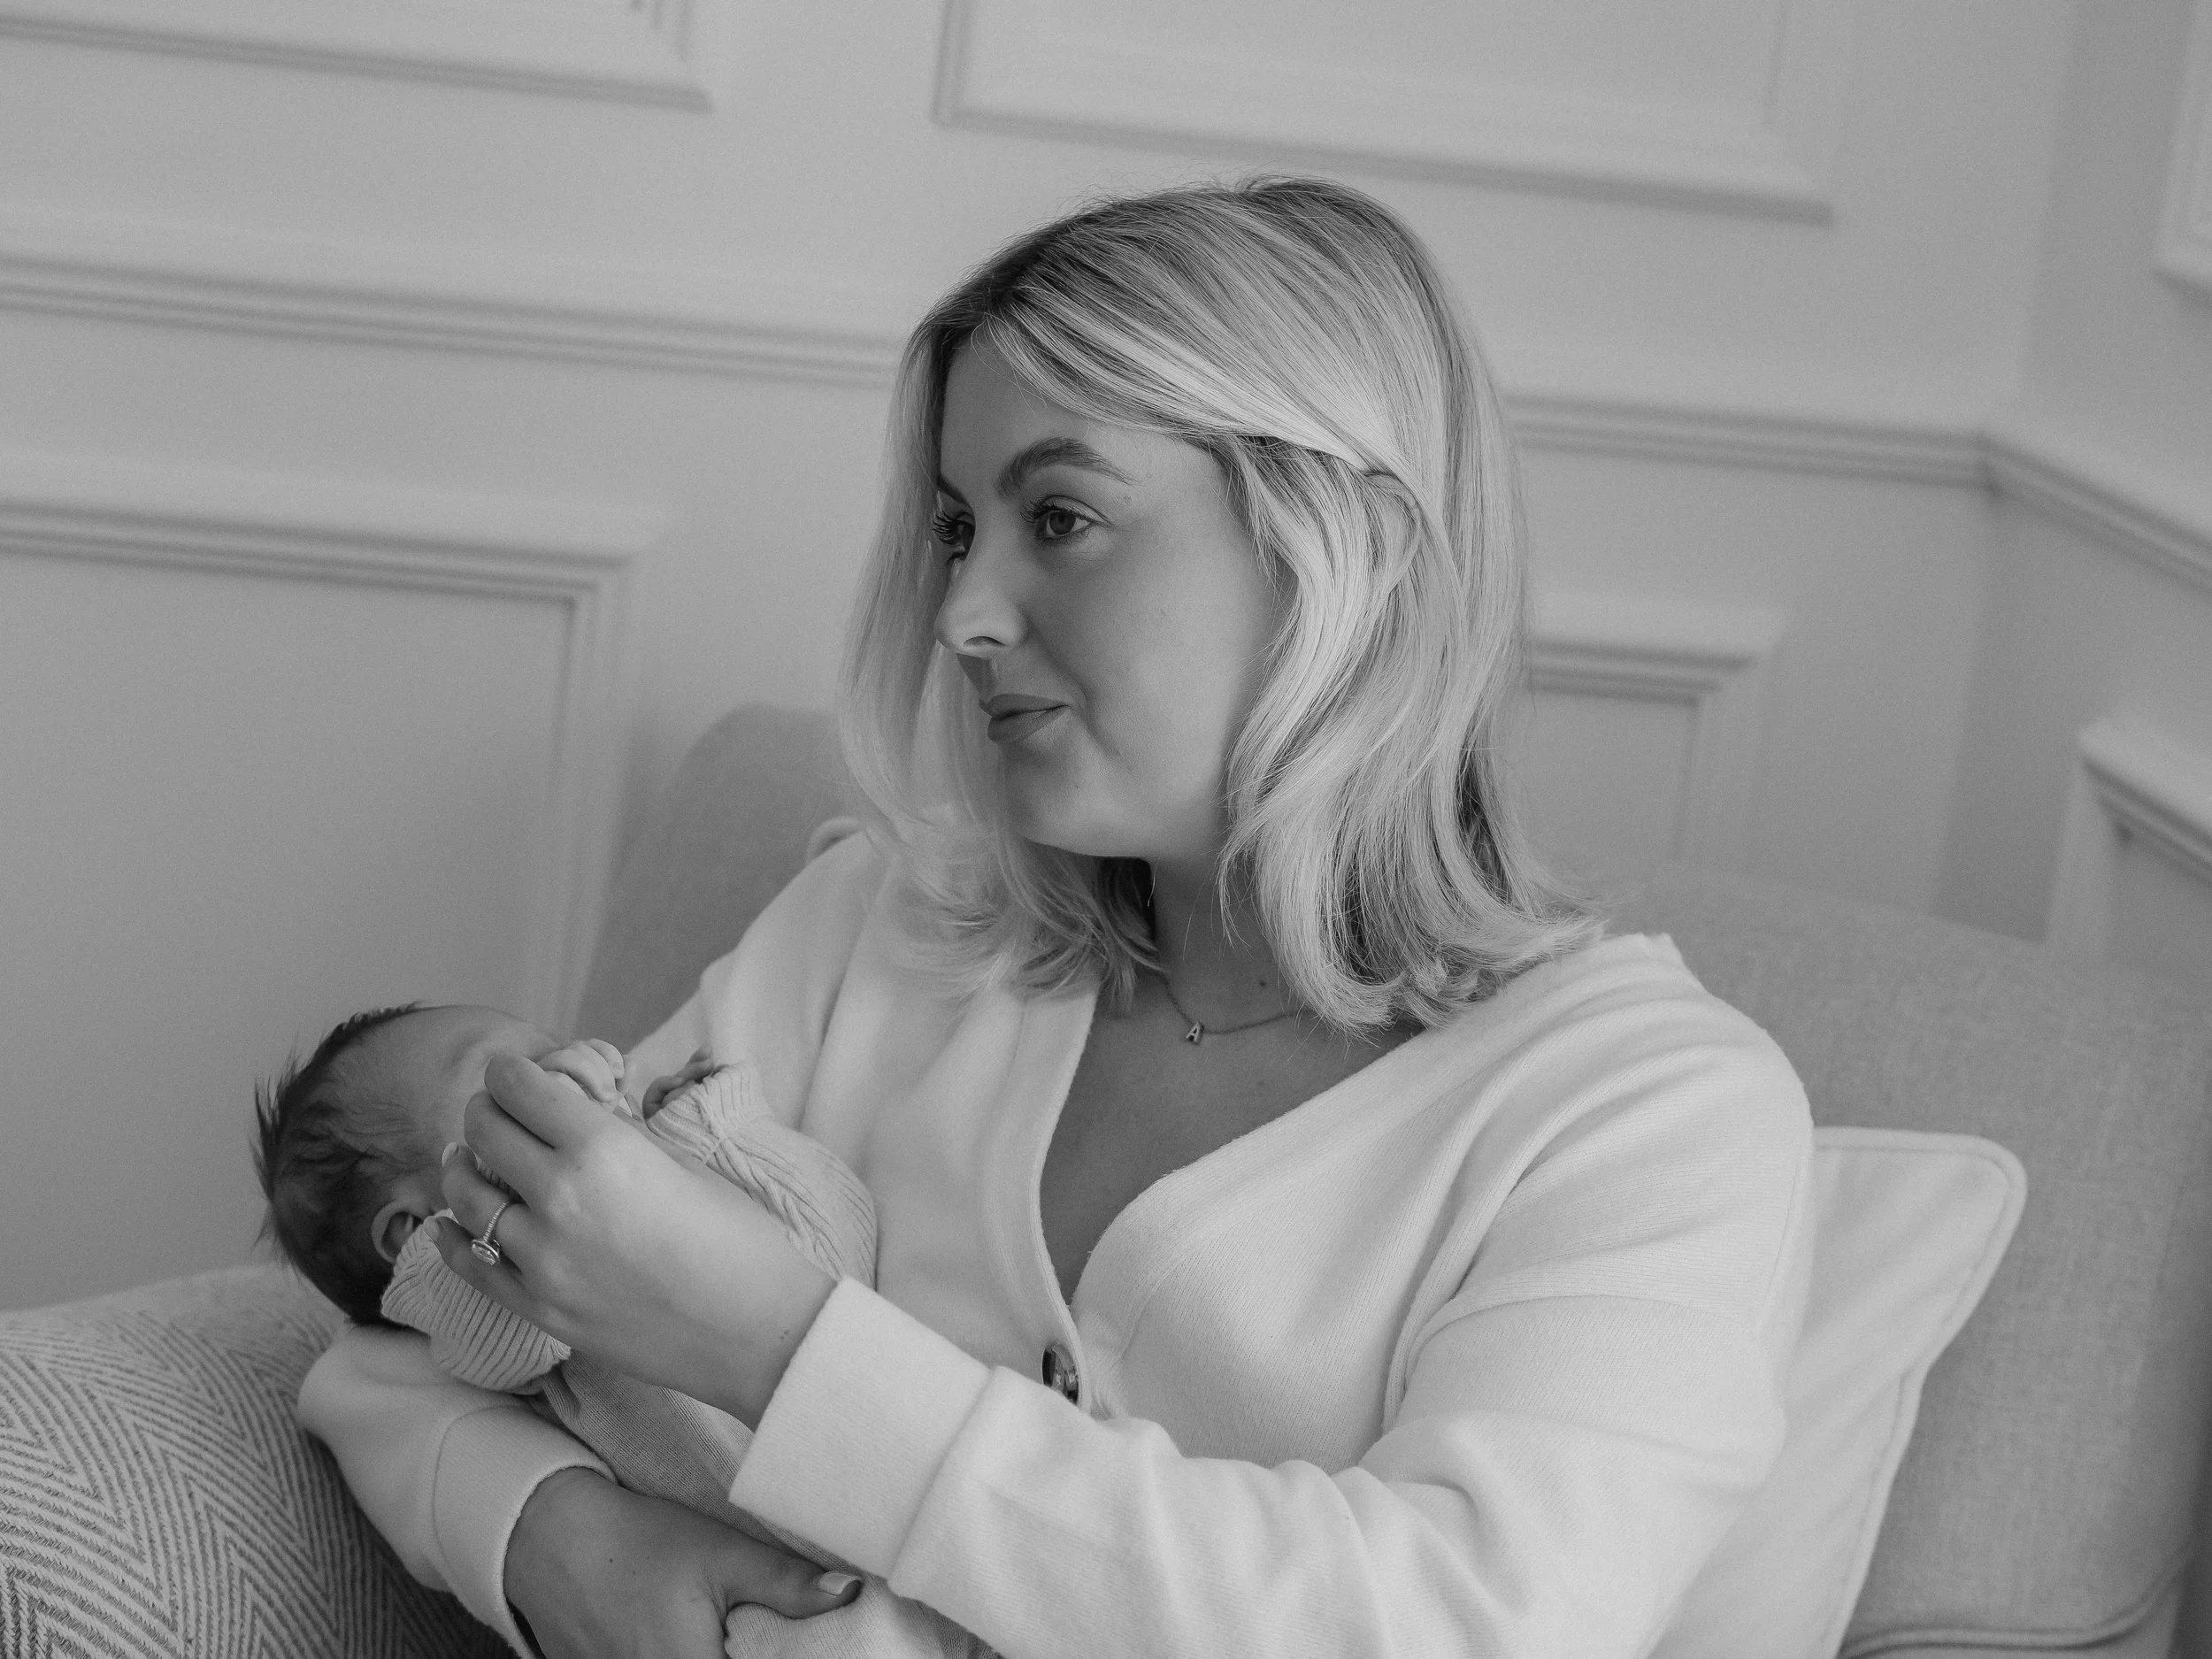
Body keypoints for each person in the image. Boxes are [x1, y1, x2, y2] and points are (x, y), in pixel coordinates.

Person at [300, 175, 1816, 1659]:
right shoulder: (885, 925)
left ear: (1340, 552)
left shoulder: (1647, 1111)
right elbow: (415, 1331)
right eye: (961, 527)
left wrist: (776, 1345)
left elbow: (1472, 1623)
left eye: (1064, 515)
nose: (963, 612)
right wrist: (556, 1534)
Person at [257, 1003, 982, 1655]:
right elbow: (495, 1312)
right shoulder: (472, 1285)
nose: (575, 1056)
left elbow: (840, 1234)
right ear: (413, 1231)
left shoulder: (629, 1182)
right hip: (783, 1599)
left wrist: (710, 1125)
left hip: (917, 1517)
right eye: (512, 1071)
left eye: (552, 1044)